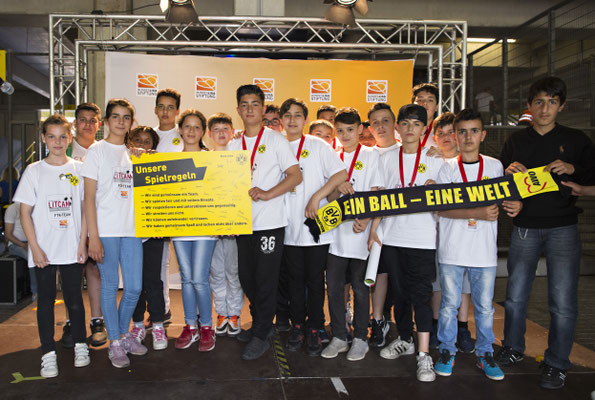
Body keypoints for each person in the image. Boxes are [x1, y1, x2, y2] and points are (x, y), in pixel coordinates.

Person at [496, 76, 595, 390]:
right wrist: (507, 176)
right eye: (539, 101)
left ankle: (557, 363)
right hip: (525, 228)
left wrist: (575, 177)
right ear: (529, 105)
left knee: (562, 302)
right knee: (514, 298)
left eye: (552, 102)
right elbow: (498, 187)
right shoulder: (516, 142)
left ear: (561, 106)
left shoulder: (577, 141)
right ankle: (512, 348)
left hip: (563, 228)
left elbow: (590, 182)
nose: (545, 108)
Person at [433, 109, 522, 381]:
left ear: (483, 135)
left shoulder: (496, 167)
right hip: (452, 249)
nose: (468, 136)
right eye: (462, 131)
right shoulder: (446, 168)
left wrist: (516, 203)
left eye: (473, 131)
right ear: (455, 136)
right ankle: (446, 350)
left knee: (485, 307)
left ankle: (485, 354)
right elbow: (441, 209)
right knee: (448, 305)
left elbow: (511, 199)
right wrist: (478, 213)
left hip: (483, 252)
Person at [227, 84, 302, 360]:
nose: (249, 109)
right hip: (242, 223)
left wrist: (269, 194)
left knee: (266, 279)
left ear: (263, 108)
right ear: (238, 110)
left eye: (255, 104)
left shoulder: (277, 140)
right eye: (244, 104)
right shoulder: (233, 144)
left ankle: (260, 333)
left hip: (269, 222)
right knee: (247, 277)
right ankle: (262, 322)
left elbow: (295, 175)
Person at [371, 104, 443, 382]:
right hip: (393, 237)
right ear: (397, 127)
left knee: (420, 296)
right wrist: (375, 229)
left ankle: (424, 355)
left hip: (423, 239)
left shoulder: (437, 158)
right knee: (399, 295)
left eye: (417, 124)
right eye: (405, 123)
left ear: (425, 129)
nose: (410, 128)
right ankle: (405, 339)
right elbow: (379, 198)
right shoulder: (387, 158)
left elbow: (446, 199)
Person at [14, 114, 90, 378]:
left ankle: (81, 344)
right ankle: (48, 353)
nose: (57, 141)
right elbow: (25, 213)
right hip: (43, 250)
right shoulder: (33, 171)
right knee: (45, 301)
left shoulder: (80, 169)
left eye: (62, 136)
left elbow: (84, 209)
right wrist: (33, 247)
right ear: (44, 138)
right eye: (52, 136)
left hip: (71, 247)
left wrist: (82, 243)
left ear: (69, 138)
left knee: (75, 301)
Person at [82, 98, 147, 368]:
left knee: (133, 287)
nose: (121, 122)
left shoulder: (133, 154)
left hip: (132, 230)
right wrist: (92, 237)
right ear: (106, 121)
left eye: (126, 117)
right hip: (106, 231)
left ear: (131, 122)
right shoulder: (95, 152)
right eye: (116, 117)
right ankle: (116, 344)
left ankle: (120, 333)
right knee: (109, 287)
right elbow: (88, 198)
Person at [279, 98, 347, 356]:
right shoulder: (277, 145)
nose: (293, 119)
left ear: (305, 119)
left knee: (316, 282)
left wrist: (317, 196)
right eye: (288, 115)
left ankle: (316, 328)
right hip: (287, 227)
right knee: (295, 282)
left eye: (298, 115)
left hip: (315, 227)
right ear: (282, 119)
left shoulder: (317, 145)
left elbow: (340, 174)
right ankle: (298, 325)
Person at [321, 107, 384, 362]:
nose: (345, 135)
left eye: (350, 129)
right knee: (335, 288)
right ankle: (338, 335)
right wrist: (337, 188)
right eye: (340, 130)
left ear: (361, 129)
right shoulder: (331, 156)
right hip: (335, 236)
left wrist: (367, 221)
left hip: (360, 234)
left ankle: (360, 338)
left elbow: (378, 194)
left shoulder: (371, 155)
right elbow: (327, 196)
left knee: (360, 288)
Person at [171, 110, 218, 352]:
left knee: (199, 279)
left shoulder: (213, 160)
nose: (191, 131)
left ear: (203, 132)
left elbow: (221, 194)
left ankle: (207, 327)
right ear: (180, 130)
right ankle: (190, 326)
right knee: (186, 279)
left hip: (205, 229)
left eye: (196, 127)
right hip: (179, 229)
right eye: (187, 126)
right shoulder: (169, 162)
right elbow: (163, 199)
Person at [61, 102, 107, 349]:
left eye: (93, 120)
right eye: (83, 120)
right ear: (75, 123)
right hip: (71, 222)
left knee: (95, 270)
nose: (88, 124)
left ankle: (97, 320)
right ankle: (71, 320)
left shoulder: (103, 150)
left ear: (98, 125)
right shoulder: (63, 150)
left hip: (98, 221)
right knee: (72, 274)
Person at [429, 112, 474, 352]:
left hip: (466, 230)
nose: (446, 137)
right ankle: (437, 325)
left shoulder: (468, 162)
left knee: (463, 283)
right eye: (441, 133)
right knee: (438, 281)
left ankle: (463, 326)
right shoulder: (431, 162)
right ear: (434, 137)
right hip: (438, 230)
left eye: (450, 132)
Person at [124, 126, 168, 351]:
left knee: (153, 281)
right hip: (129, 233)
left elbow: (167, 196)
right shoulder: (121, 163)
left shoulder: (160, 165)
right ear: (128, 141)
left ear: (154, 145)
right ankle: (138, 324)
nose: (142, 145)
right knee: (134, 284)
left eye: (147, 141)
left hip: (152, 232)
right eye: (137, 140)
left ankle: (158, 324)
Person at [366, 102, 401, 348]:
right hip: (366, 227)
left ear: (394, 124)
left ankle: (385, 321)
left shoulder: (408, 152)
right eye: (375, 122)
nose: (380, 126)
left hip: (399, 230)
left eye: (385, 120)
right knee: (371, 276)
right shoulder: (366, 154)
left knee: (389, 277)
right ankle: (374, 320)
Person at [207, 113, 244, 338]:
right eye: (216, 130)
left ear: (232, 132)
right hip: (210, 226)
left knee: (233, 272)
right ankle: (221, 312)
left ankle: (234, 313)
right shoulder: (202, 159)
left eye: (225, 129)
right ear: (210, 134)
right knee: (216, 273)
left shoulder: (240, 157)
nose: (221, 133)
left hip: (233, 226)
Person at [153, 88, 184, 325]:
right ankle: (162, 310)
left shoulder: (184, 135)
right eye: (161, 107)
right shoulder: (145, 136)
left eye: (170, 107)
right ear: (155, 110)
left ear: (177, 111)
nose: (165, 111)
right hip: (156, 209)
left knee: (189, 266)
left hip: (182, 207)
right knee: (159, 263)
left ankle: (198, 318)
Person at [4, 202, 37, 298]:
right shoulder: (12, 209)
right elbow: (8, 234)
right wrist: (23, 245)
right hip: (15, 245)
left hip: (30, 242)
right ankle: (35, 292)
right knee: (32, 258)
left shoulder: (33, 207)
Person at [412, 83, 440, 149]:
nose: (424, 103)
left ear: (436, 107)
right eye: (420, 100)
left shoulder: (442, 132)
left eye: (430, 100)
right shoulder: (400, 130)